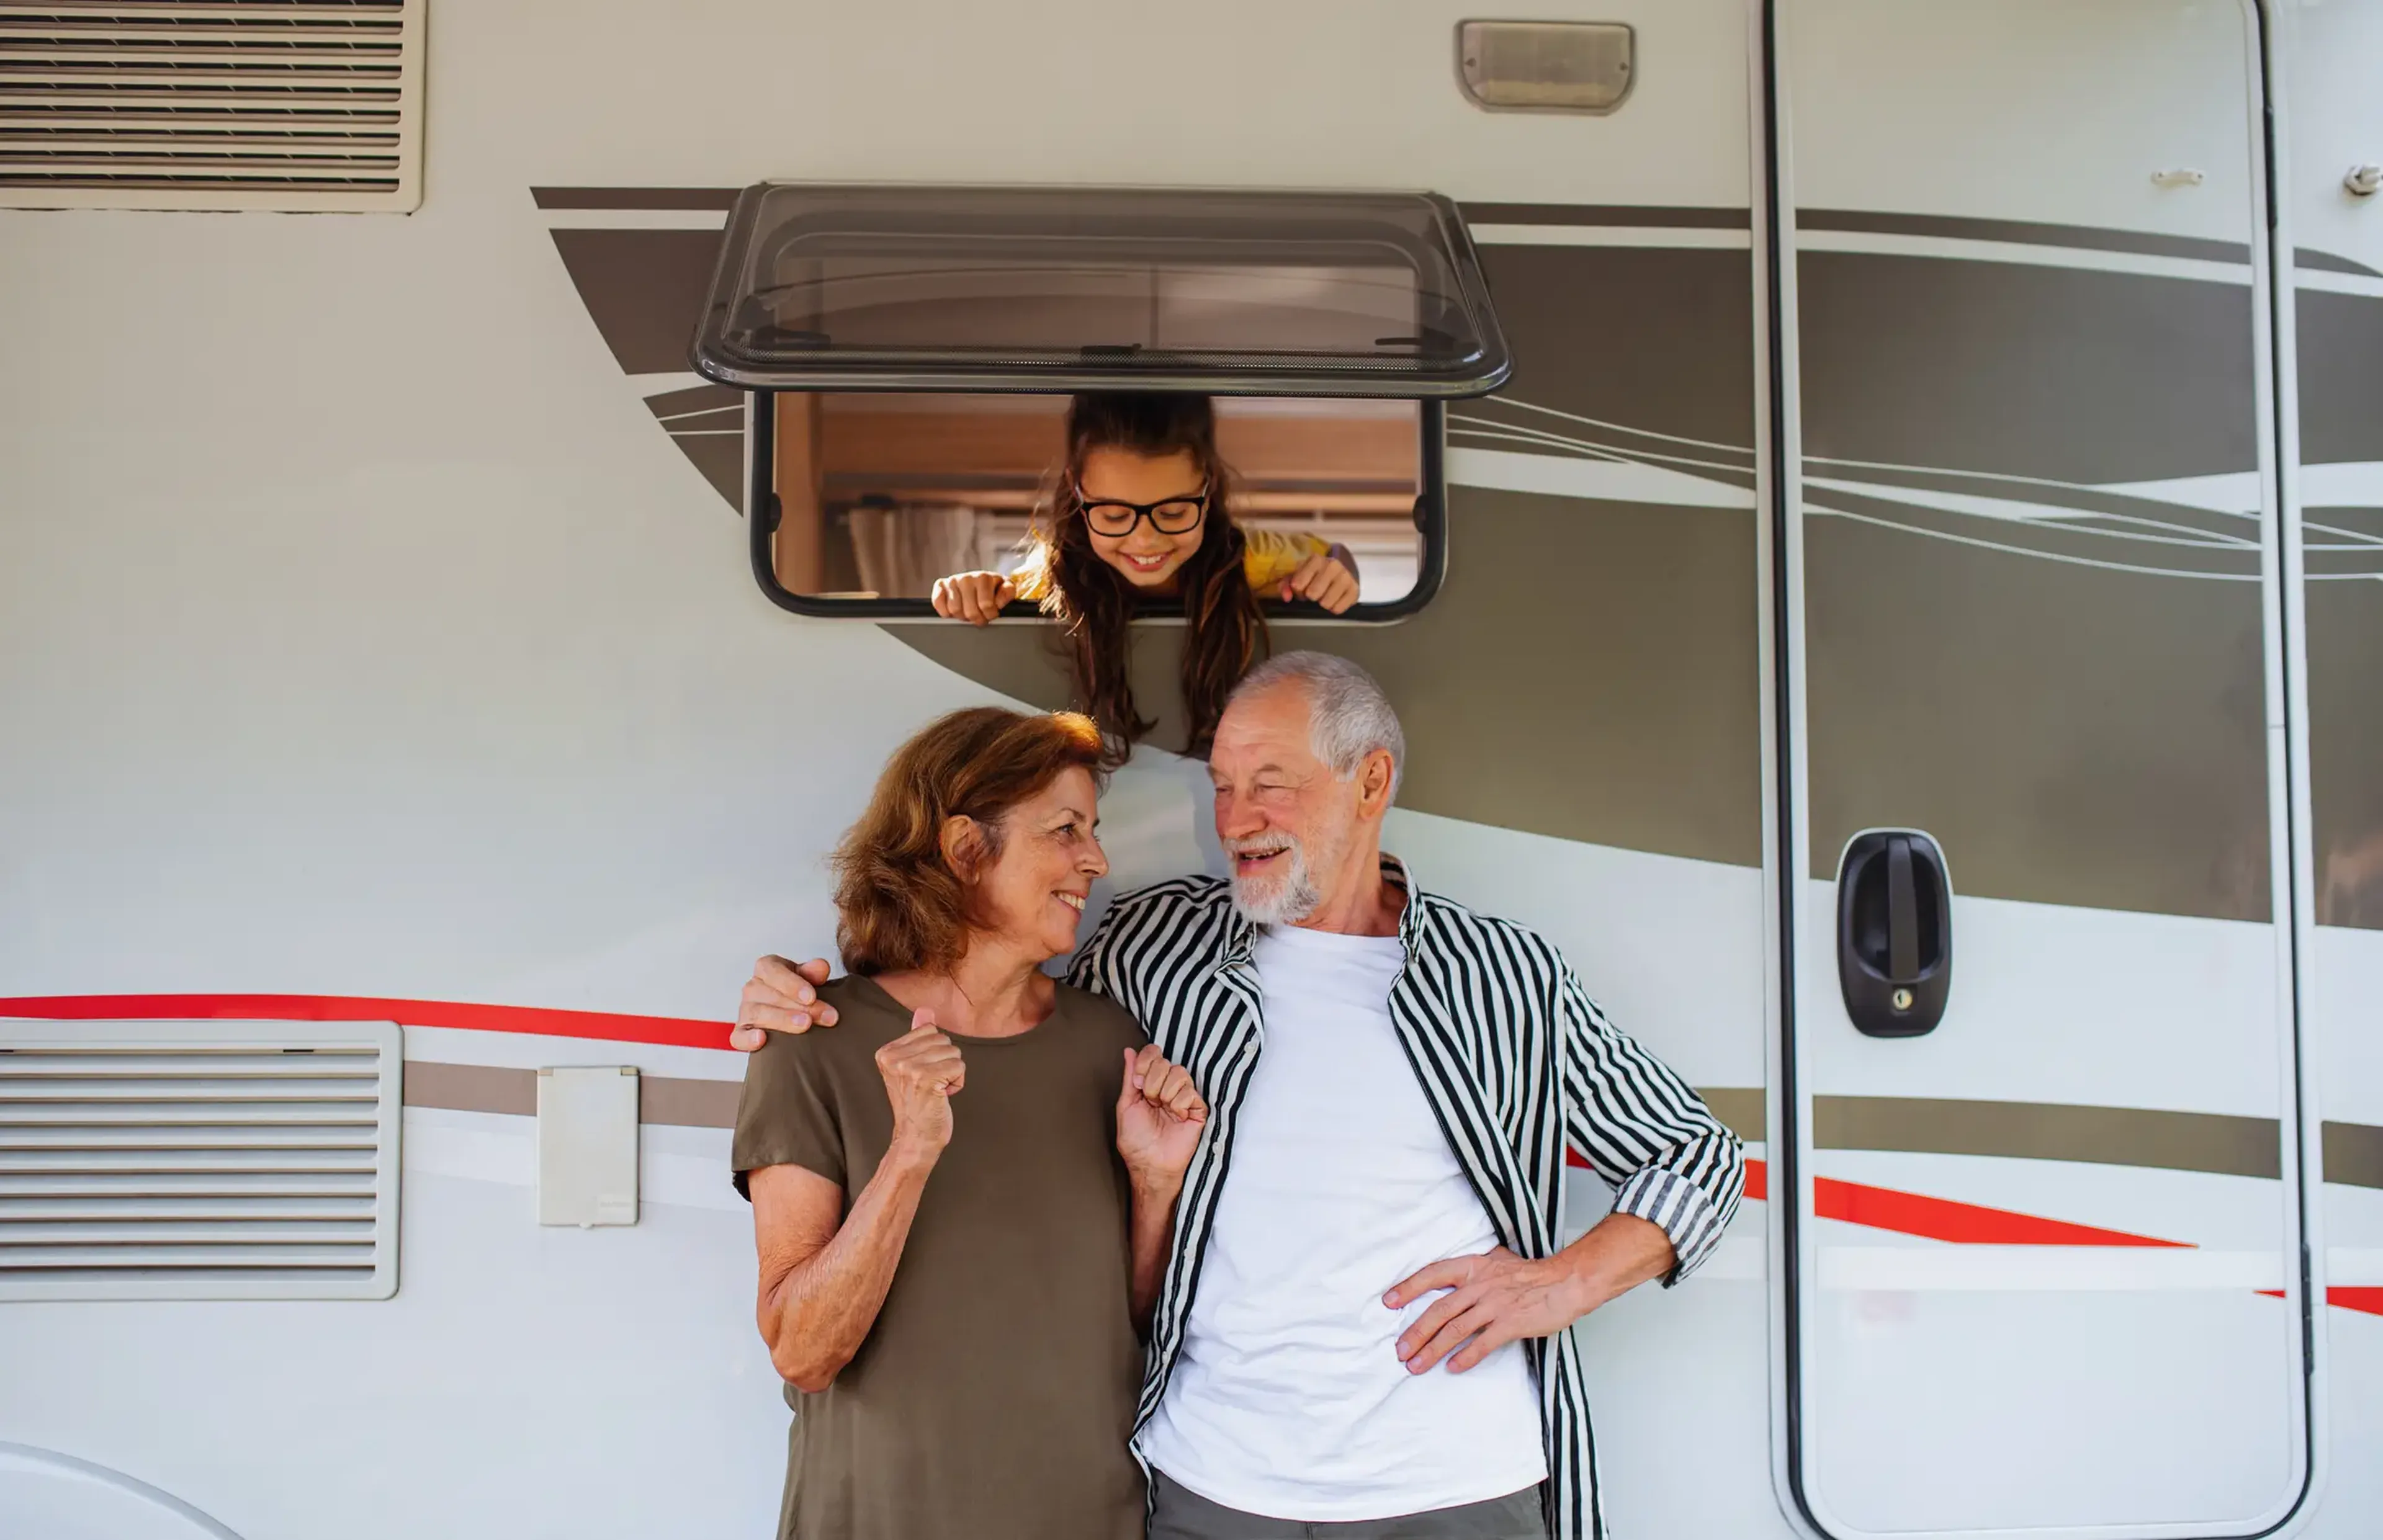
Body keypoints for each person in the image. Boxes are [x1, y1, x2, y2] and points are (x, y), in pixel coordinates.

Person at [734, 653, 1746, 1540]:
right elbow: (973, 983)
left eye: (1273, 784)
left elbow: (1698, 1156)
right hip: (1212, 1489)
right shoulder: (1153, 943)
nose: (1238, 821)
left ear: (1370, 782)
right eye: (1222, 787)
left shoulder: (1506, 977)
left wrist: (1562, 1281)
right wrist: (806, 986)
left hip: (1455, 1489)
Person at [729, 705, 1209, 1540]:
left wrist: (1156, 1187)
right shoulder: (813, 1043)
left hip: (1082, 1514)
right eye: (1065, 830)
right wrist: (909, 1154)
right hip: (876, 1517)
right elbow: (803, 1349)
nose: (1095, 859)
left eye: (1091, 831)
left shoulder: (1110, 1046)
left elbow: (1129, 1321)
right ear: (962, 849)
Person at [931, 392, 1362, 761]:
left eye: (1173, 512)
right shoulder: (1052, 581)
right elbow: (990, 594)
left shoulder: (1254, 562)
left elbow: (1336, 558)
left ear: (1208, 490)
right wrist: (968, 591)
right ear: (1078, 493)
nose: (1145, 540)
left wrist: (1337, 576)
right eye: (1115, 515)